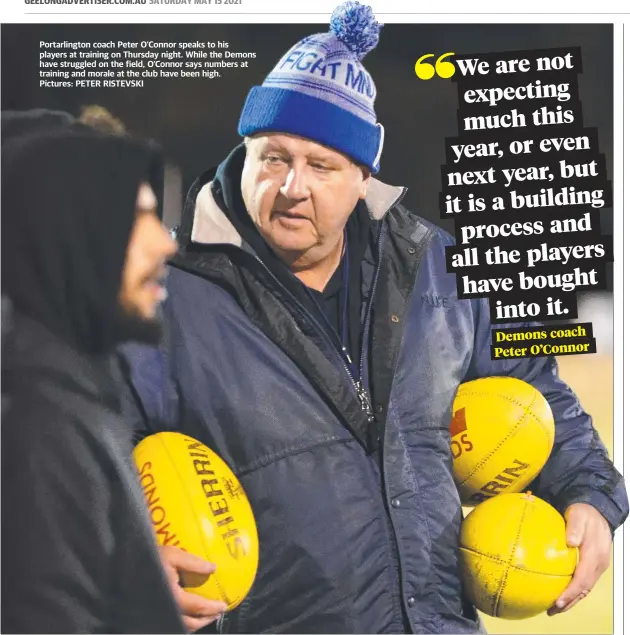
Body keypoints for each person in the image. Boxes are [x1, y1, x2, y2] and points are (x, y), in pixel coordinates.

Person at [120, 2, 628, 633]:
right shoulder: (160, 294)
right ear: (245, 153)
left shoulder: (437, 265)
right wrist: (128, 565)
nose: (291, 186)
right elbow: (76, 457)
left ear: (363, 178)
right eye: (273, 157)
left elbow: (536, 387)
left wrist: (589, 495)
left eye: (322, 166)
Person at [1, 123, 226, 633]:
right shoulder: (39, 428)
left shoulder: (71, 393)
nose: (164, 244)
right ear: (71, 233)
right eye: (137, 217)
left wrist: (132, 573)